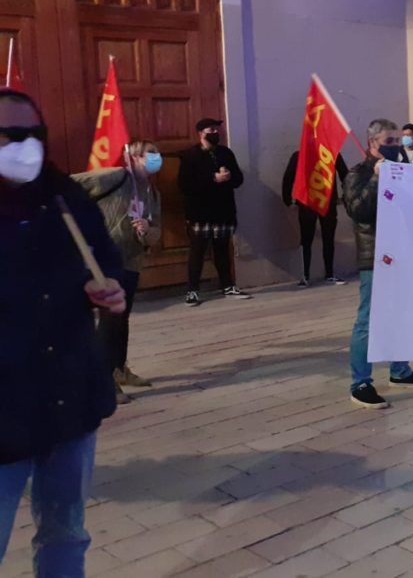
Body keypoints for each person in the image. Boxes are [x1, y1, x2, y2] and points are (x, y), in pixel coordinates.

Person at [0, 89, 126, 575]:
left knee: (66, 533)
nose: (23, 146)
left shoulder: (64, 198)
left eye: (33, 134)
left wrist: (111, 289)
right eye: (9, 136)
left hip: (68, 398)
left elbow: (106, 264)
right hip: (4, 410)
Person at [342, 119, 413, 408]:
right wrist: (376, 179)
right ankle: (361, 383)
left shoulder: (404, 172)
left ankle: (400, 370)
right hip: (376, 257)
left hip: (403, 254)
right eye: (390, 142)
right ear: (372, 144)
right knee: (368, 321)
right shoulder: (359, 173)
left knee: (402, 314)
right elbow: (357, 210)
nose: (396, 147)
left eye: (398, 141)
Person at [72, 140, 163, 404]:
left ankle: (119, 369)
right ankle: (102, 380)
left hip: (131, 261)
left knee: (122, 318)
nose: (157, 159)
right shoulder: (114, 177)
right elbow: (70, 186)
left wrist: (148, 230)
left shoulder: (153, 193)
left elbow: (156, 233)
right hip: (102, 261)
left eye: (158, 155)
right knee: (110, 319)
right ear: (133, 157)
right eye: (151, 154)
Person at [177, 118, 251, 306]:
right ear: (201, 132)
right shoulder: (190, 155)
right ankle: (192, 290)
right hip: (200, 213)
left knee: (222, 250)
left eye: (217, 130)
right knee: (198, 252)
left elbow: (239, 179)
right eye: (212, 130)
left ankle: (227, 286)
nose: (216, 133)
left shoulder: (226, 153)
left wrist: (229, 177)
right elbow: (185, 185)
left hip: (223, 211)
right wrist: (213, 179)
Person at [281, 150, 348, 287]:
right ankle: (305, 275)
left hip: (327, 202)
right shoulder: (300, 155)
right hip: (307, 203)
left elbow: (345, 176)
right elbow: (289, 177)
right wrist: (288, 200)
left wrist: (346, 197)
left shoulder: (333, 154)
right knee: (306, 239)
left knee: (328, 238)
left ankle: (329, 273)